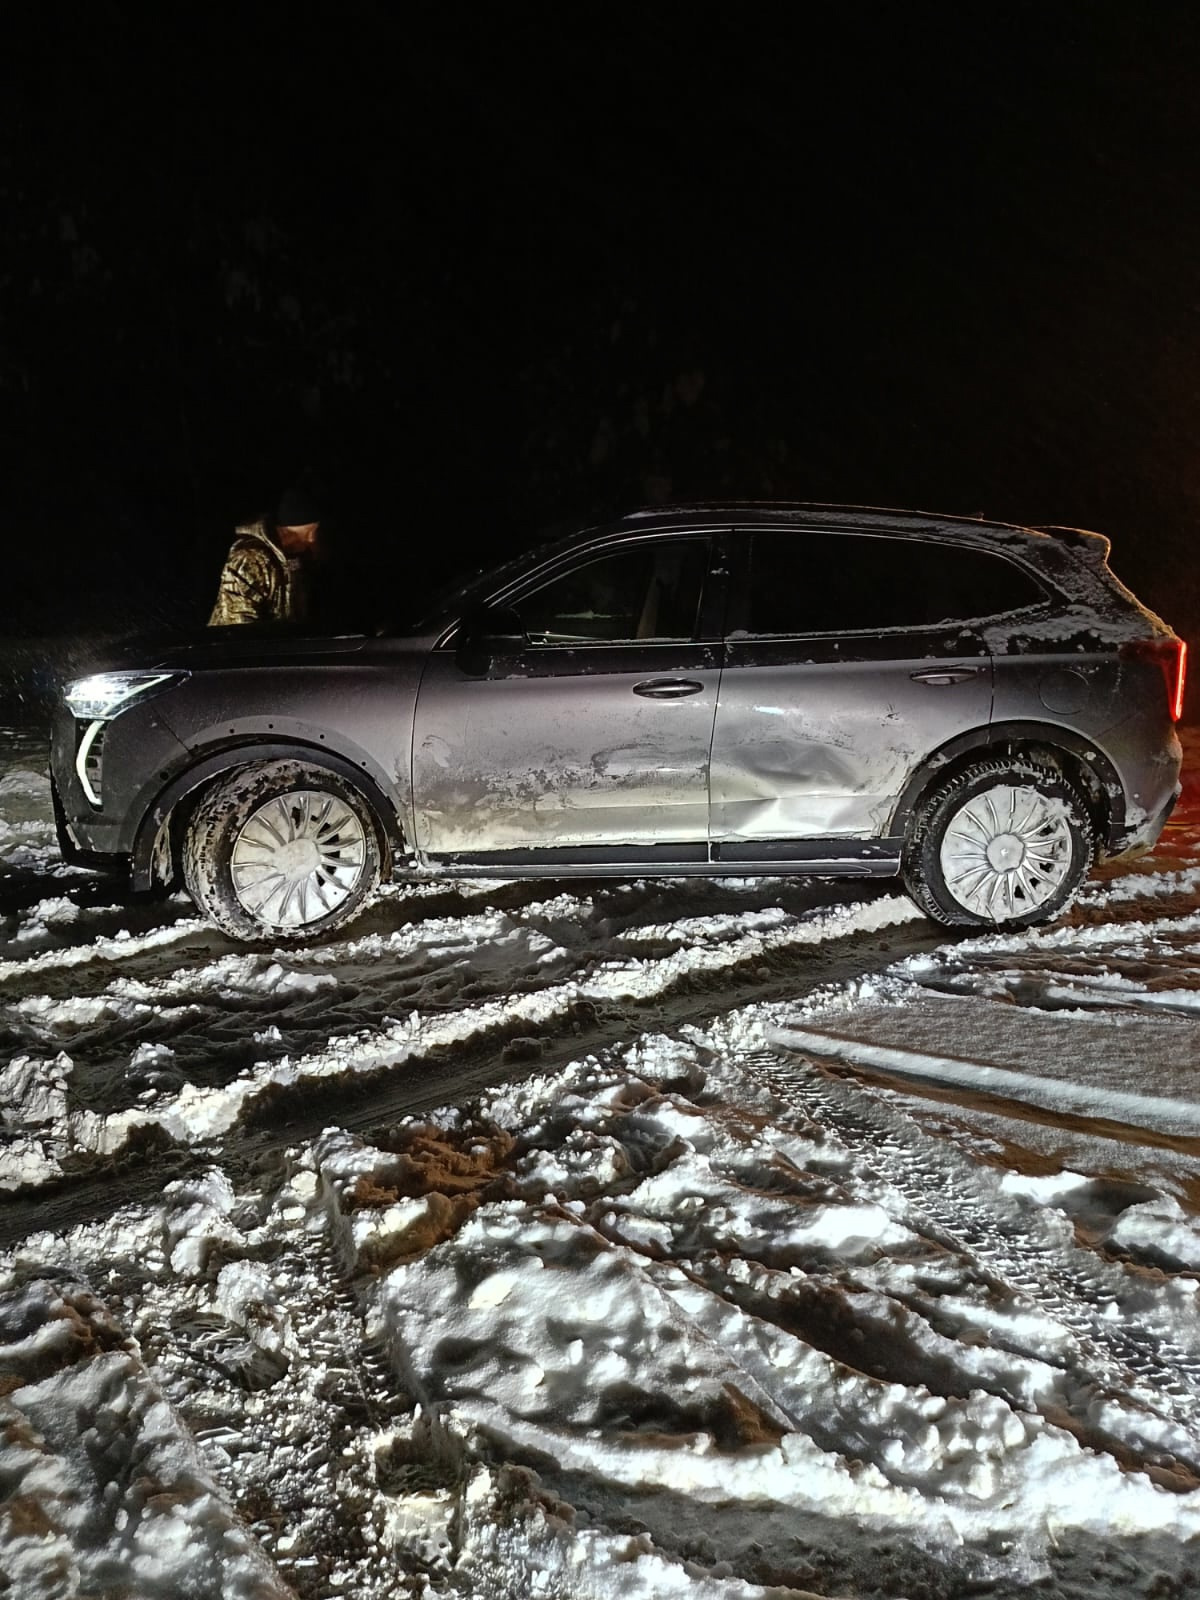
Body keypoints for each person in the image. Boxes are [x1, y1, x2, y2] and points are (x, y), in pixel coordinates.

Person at [208, 487, 321, 626]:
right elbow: (238, 626)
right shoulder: (249, 559)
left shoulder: (296, 559)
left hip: (282, 645)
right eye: (315, 530)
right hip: (242, 646)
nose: (315, 539)